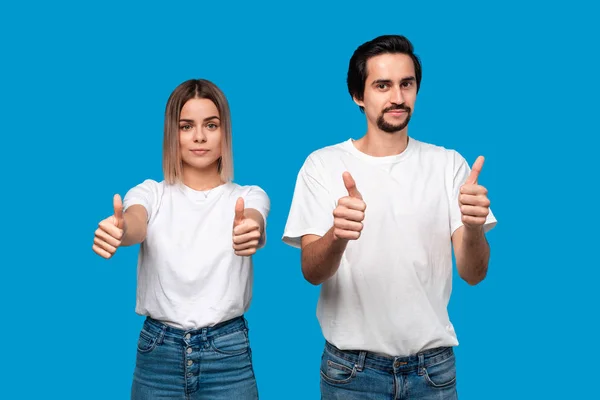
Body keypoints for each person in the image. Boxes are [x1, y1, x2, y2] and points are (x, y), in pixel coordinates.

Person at [282, 35, 497, 399]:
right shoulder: (322, 165)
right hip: (351, 373)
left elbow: (472, 274)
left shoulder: (448, 165)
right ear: (358, 95)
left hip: (433, 373)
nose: (397, 97)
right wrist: (338, 235)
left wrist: (474, 228)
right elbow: (311, 271)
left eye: (406, 84)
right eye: (382, 85)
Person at [92, 79, 269, 399]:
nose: (199, 136)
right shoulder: (150, 193)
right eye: (186, 126)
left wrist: (250, 232)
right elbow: (135, 223)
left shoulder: (248, 196)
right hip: (158, 353)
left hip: (227, 354)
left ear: (225, 132)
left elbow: (254, 223)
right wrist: (119, 231)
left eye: (211, 125)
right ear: (172, 135)